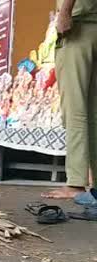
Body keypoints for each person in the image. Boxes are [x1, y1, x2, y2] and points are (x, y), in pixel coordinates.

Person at [43, 0, 97, 203]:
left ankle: (75, 183)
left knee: (75, 109)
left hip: (79, 26)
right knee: (94, 112)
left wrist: (64, 11)